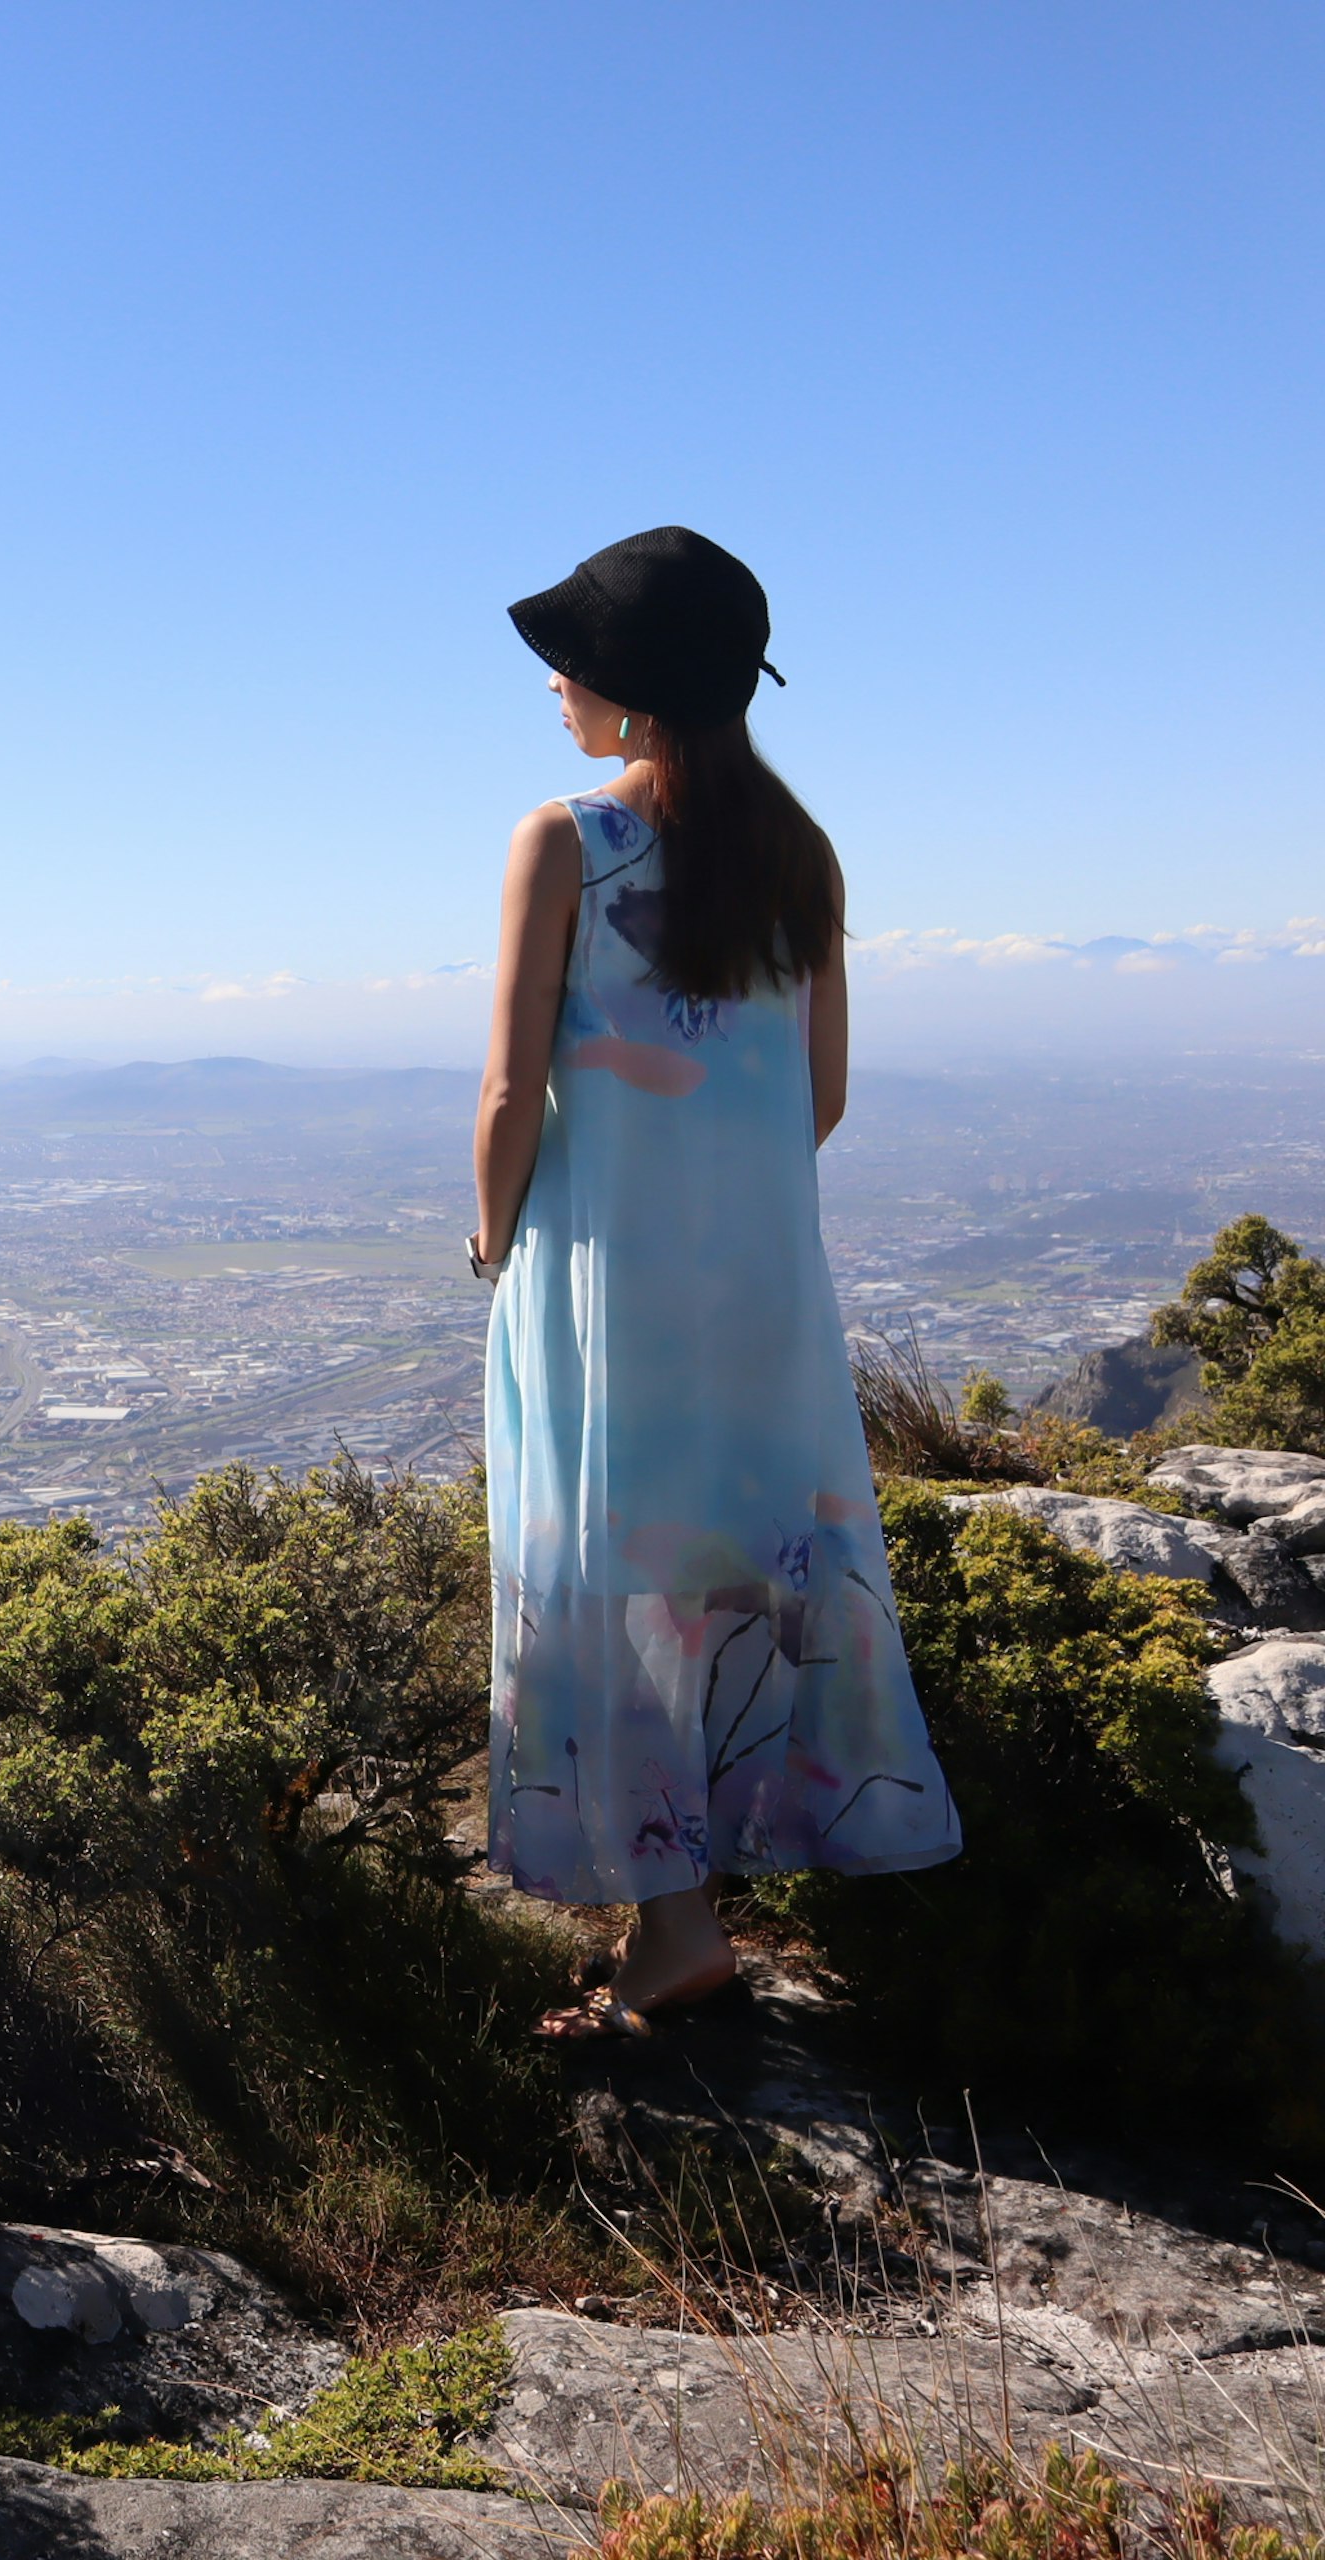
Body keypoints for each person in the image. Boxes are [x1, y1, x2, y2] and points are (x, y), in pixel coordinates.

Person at [474, 527, 960, 2040]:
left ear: (633, 688)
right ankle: (697, 1907)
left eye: (580, 659)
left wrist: (500, 1246)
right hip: (758, 1288)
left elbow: (507, 1094)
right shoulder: (801, 853)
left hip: (605, 1289)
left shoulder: (563, 839)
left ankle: (674, 1931)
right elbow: (819, 1098)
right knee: (741, 1570)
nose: (559, 682)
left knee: (618, 1581)